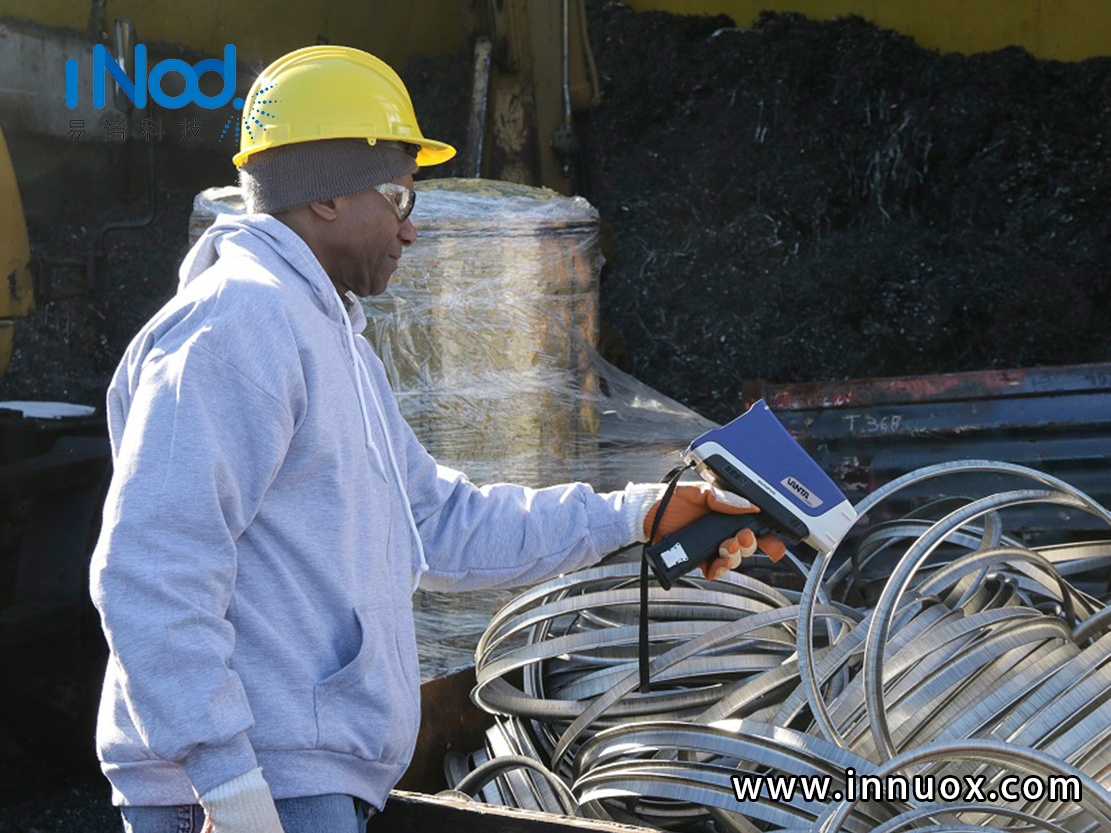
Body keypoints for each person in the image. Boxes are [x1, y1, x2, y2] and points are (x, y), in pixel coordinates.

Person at [89, 46, 781, 833]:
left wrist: (641, 514)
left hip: (292, 780)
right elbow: (152, 565)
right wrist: (226, 780)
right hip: (255, 790)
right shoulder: (239, 323)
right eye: (399, 197)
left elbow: (441, 522)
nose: (410, 230)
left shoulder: (326, 335)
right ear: (324, 195)